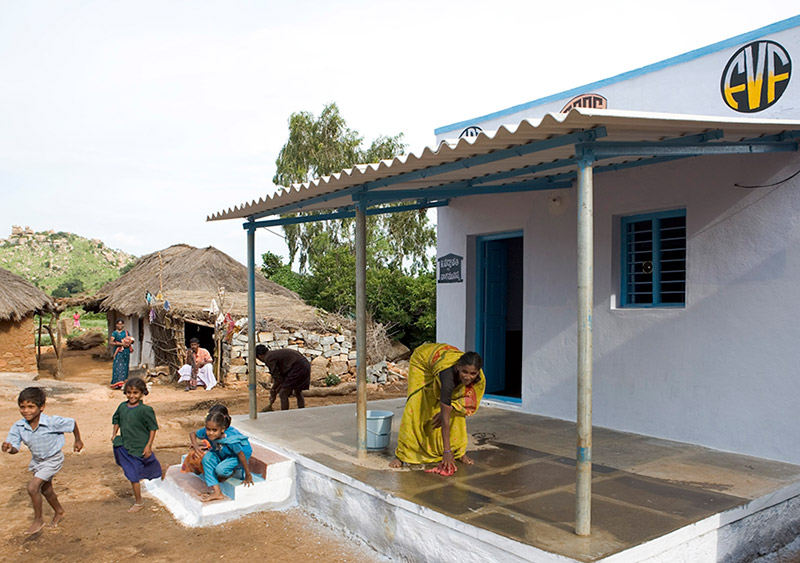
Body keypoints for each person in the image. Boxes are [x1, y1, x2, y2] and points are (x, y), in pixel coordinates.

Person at [389, 344, 485, 475]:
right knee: (417, 407)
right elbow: (445, 421)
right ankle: (402, 454)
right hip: (422, 362)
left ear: (478, 372)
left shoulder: (479, 378)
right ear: (458, 367)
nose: (468, 377)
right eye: (465, 372)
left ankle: (459, 452)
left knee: (457, 411)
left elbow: (466, 403)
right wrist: (447, 452)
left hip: (440, 361)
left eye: (473, 373)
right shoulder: (448, 378)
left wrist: (449, 409)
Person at [2, 387, 83, 535]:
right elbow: (15, 449)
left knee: (33, 487)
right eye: (22, 407)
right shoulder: (19, 427)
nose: (26, 411)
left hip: (53, 459)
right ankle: (59, 511)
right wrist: (8, 448)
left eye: (31, 407)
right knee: (46, 490)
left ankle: (38, 520)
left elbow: (72, 423)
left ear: (41, 407)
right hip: (38, 461)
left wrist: (78, 440)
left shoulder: (52, 422)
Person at [111, 377, 162, 513]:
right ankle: (139, 499)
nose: (132, 396)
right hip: (127, 444)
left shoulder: (146, 410)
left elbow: (153, 428)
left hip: (140, 445)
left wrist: (149, 445)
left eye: (135, 393)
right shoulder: (122, 407)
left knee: (141, 467)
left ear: (142, 393)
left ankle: (138, 502)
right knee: (134, 470)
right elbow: (116, 419)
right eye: (129, 393)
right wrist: (114, 433)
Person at [189, 404, 253, 502]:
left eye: (214, 430)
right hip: (222, 452)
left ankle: (230, 472)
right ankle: (217, 492)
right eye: (208, 429)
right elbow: (192, 433)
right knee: (207, 459)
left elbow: (241, 455)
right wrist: (196, 446)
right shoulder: (208, 430)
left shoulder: (230, 439)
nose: (210, 433)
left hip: (236, 455)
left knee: (221, 469)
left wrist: (248, 474)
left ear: (222, 429)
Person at [255, 344, 310, 411]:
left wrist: (273, 390)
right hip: (305, 365)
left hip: (297, 368)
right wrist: (275, 391)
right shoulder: (273, 354)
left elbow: (278, 378)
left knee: (283, 394)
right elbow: (281, 378)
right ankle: (302, 410)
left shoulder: (268, 358)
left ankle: (284, 414)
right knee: (297, 390)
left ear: (259, 356)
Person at [109, 319, 132, 389]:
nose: (120, 325)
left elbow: (131, 340)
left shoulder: (126, 332)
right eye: (118, 324)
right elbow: (111, 342)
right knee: (118, 366)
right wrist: (121, 344)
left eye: (121, 324)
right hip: (119, 351)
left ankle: (123, 383)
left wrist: (129, 343)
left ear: (123, 325)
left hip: (126, 351)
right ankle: (117, 383)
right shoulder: (114, 333)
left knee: (125, 367)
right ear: (116, 325)